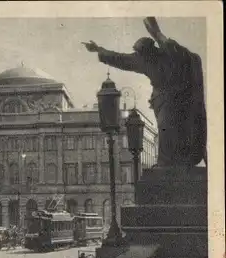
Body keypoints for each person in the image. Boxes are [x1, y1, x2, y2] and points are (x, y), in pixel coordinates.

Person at [83, 17, 206, 167]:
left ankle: (170, 163)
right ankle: (167, 163)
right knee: (165, 128)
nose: (138, 57)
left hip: (180, 100)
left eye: (141, 53)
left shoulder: (170, 54)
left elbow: (185, 56)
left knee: (173, 129)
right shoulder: (144, 59)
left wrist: (157, 33)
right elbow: (121, 59)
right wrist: (99, 50)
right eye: (138, 54)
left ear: (151, 51)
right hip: (163, 100)